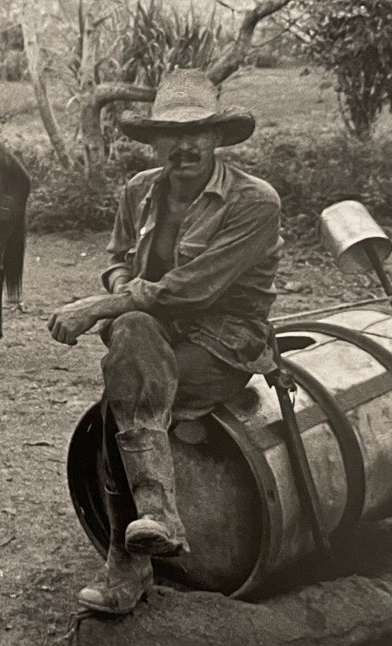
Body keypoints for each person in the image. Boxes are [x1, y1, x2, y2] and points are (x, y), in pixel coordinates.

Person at [46, 70, 282, 615]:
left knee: (119, 398)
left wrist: (99, 305)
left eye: (199, 131)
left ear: (217, 137)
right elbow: (117, 260)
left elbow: (195, 288)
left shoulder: (254, 202)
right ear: (154, 142)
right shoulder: (138, 192)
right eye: (171, 135)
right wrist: (116, 289)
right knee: (131, 338)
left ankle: (126, 565)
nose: (186, 145)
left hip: (224, 342)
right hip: (151, 334)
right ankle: (157, 518)